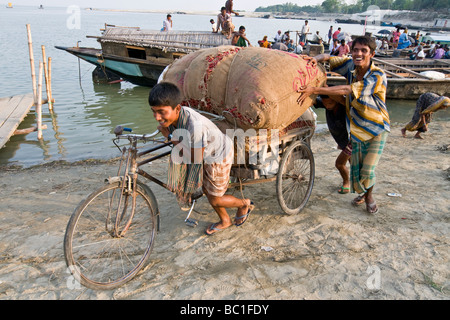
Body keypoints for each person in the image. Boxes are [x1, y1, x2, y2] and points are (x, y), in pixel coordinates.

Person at [297, 36, 390, 214]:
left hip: (376, 128)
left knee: (368, 169)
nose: (359, 54)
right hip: (357, 129)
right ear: (351, 51)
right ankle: (364, 193)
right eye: (356, 50)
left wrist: (315, 90)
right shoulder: (350, 67)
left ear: (372, 54)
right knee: (358, 169)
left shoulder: (377, 75)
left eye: (364, 51)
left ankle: (369, 197)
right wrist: (314, 59)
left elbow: (348, 89)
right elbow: (329, 58)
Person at [148, 82, 254, 235]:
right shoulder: (177, 117)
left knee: (215, 198)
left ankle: (243, 204)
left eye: (161, 112)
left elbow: (194, 158)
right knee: (206, 189)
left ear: (177, 108)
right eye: (154, 111)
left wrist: (170, 136)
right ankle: (225, 218)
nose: (157, 117)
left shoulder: (194, 127)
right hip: (203, 152)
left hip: (217, 155)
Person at [314, 94, 351, 194]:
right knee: (353, 163)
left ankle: (347, 183)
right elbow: (314, 101)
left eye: (330, 103)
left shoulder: (345, 107)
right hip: (342, 141)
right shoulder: (326, 103)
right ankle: (356, 185)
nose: (327, 106)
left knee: (340, 163)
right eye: (325, 103)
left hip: (351, 141)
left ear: (337, 100)